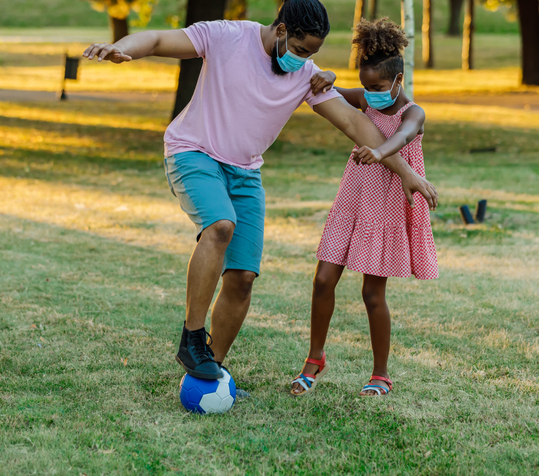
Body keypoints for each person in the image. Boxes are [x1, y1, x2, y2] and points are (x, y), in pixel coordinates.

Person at [83, 0, 438, 390]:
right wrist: (124, 50)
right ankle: (192, 337)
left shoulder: (306, 74)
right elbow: (156, 39)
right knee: (220, 227)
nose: (304, 61)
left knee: (243, 277)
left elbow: (354, 121)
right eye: (301, 50)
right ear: (282, 29)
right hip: (193, 152)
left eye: (313, 55)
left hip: (245, 171)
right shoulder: (226, 36)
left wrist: (405, 172)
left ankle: (209, 370)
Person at [290, 17, 439, 397]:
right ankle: (314, 358)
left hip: (386, 208)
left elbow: (403, 135)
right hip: (353, 199)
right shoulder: (367, 96)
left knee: (372, 295)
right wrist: (330, 73)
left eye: (376, 87)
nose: (370, 94)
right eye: (366, 86)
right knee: (323, 279)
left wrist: (380, 150)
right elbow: (337, 89)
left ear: (397, 81)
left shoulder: (413, 113)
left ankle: (380, 373)